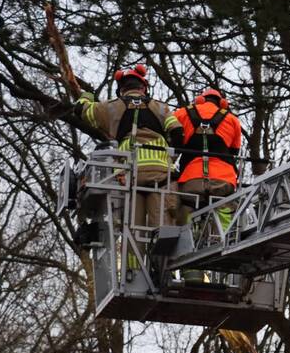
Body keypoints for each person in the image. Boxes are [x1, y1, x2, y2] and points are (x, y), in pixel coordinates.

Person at [77, 65, 181, 235]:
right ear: (144, 88)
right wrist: (171, 157)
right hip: (162, 175)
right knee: (164, 233)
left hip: (129, 176)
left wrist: (85, 96)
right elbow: (177, 132)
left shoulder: (111, 107)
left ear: (122, 89)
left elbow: (82, 110)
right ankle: (163, 260)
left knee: (132, 233)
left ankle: (132, 260)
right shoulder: (161, 107)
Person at [168, 88, 242, 233]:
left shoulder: (182, 113)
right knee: (225, 207)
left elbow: (170, 134)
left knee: (186, 207)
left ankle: (188, 238)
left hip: (191, 179)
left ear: (199, 100)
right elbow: (234, 151)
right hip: (223, 179)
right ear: (222, 103)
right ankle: (224, 238)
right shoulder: (233, 119)